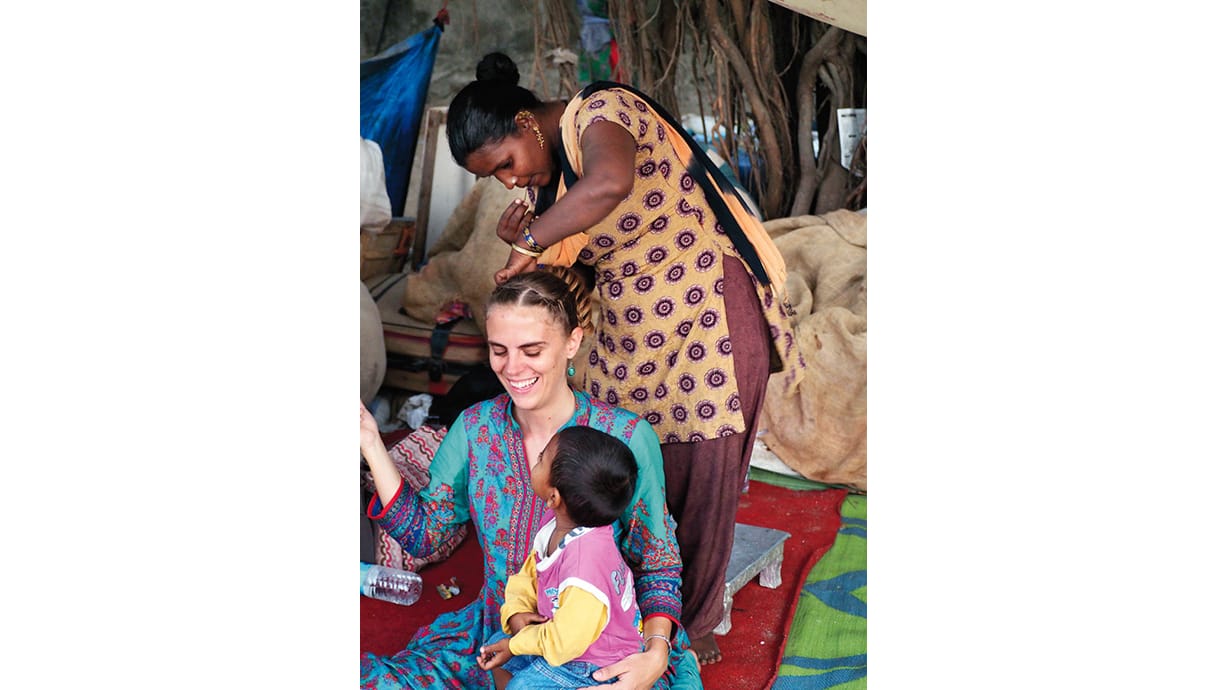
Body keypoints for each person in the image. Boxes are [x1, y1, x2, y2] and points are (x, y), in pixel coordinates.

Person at [445, 53, 805, 665]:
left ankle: (685, 630)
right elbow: (582, 260)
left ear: (527, 123)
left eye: (506, 164)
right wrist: (530, 244)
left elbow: (611, 182)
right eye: (494, 179)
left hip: (703, 322)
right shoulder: (555, 188)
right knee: (618, 464)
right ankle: (614, 606)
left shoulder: (601, 113)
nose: (509, 182)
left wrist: (533, 240)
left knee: (698, 475)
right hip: (629, 333)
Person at [360, 267, 701, 689]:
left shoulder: (625, 437)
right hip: (498, 637)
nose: (513, 367)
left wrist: (654, 655)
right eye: (498, 350)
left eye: (532, 350)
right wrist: (371, 443)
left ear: (572, 342)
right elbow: (426, 536)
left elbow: (657, 562)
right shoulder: (475, 429)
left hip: (603, 648)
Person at [477, 426, 656, 688]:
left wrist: (515, 645)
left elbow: (565, 643)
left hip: (597, 661)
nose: (535, 461)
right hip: (564, 635)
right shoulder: (560, 521)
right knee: (495, 648)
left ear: (554, 496)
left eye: (541, 459)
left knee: (522, 685)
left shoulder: (586, 567)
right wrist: (517, 611)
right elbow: (531, 572)